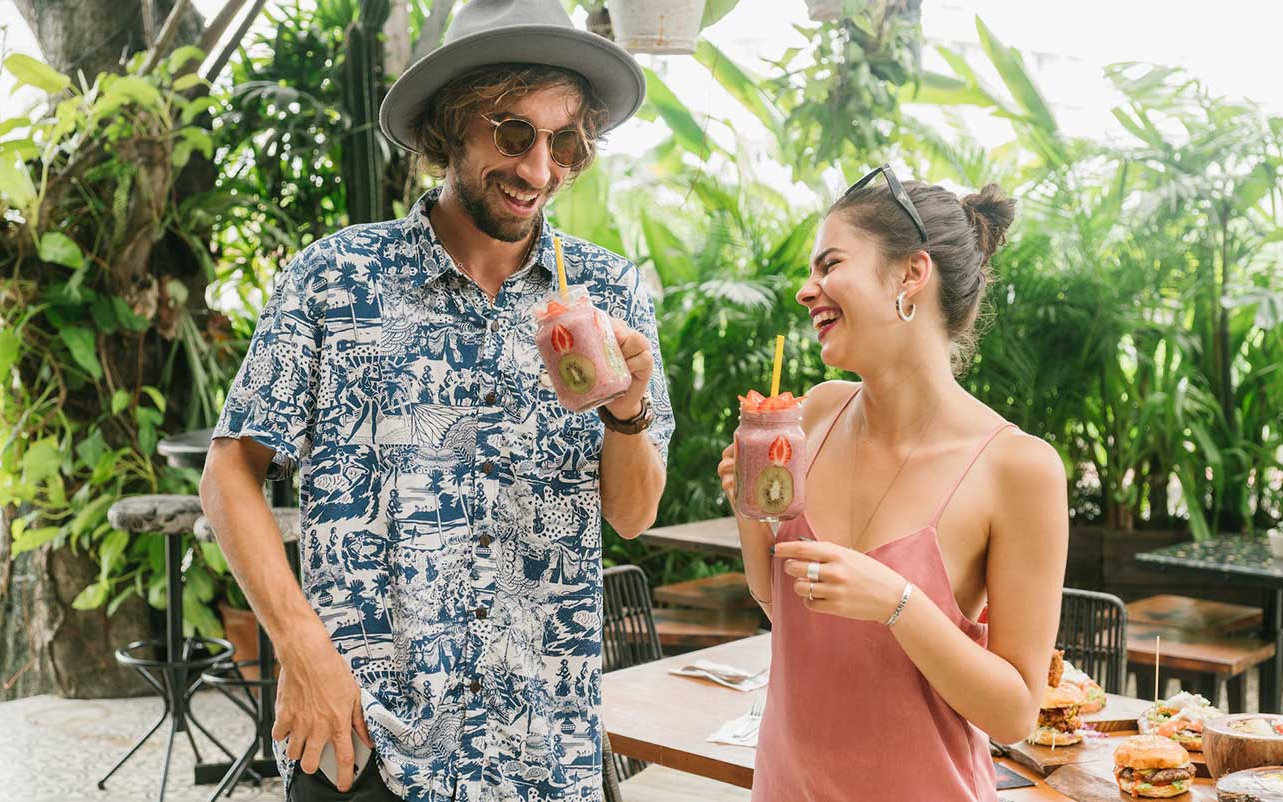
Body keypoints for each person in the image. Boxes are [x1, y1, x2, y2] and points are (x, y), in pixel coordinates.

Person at [199, 1, 674, 800]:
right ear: (450, 127)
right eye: (513, 133)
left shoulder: (607, 291)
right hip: (365, 738)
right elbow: (228, 474)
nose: (538, 170)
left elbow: (632, 514)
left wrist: (623, 411)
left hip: (540, 749)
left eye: (563, 142)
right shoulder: (337, 278)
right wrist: (301, 645)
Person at [717, 164, 1067, 801]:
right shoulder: (815, 415)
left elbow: (1015, 714)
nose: (807, 289)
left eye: (830, 265)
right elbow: (780, 604)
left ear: (911, 274)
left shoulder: (1018, 468)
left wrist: (899, 604)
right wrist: (750, 508)